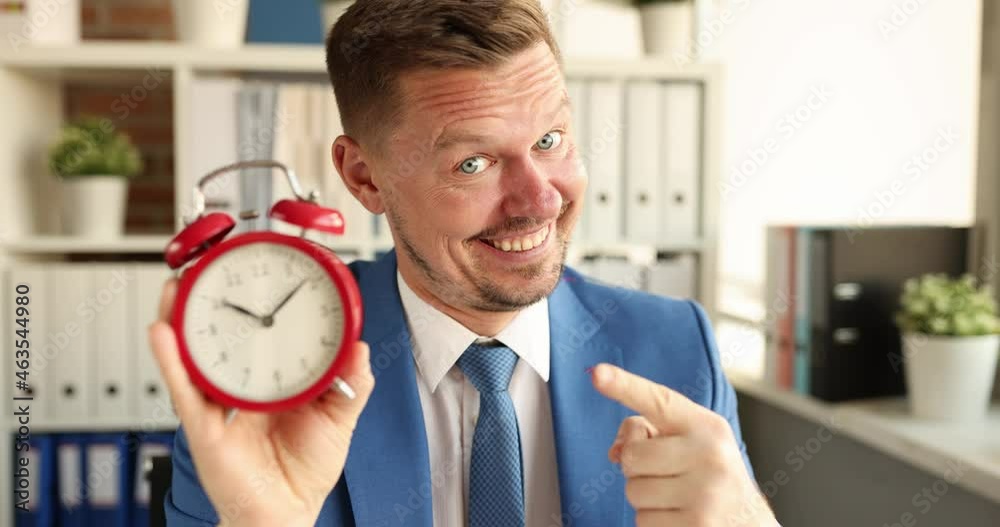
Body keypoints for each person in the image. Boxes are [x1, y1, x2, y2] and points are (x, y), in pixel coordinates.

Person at [148, 1, 778, 525]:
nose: (540, 201)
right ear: (363, 176)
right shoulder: (261, 376)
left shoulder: (676, 348)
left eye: (549, 141)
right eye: (473, 163)